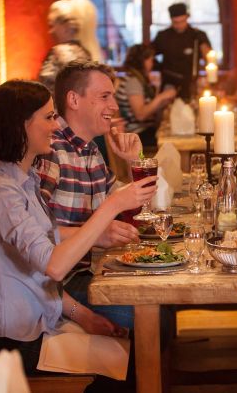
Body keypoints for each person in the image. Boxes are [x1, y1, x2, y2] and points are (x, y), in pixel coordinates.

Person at [0, 79, 157, 390]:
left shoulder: (24, 179)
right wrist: (110, 206)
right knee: (129, 361)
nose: (57, 126)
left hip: (40, 322)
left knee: (129, 346)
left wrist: (82, 315)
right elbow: (54, 266)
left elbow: (38, 274)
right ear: (20, 125)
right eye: (49, 117)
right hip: (11, 340)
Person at [37, 60, 143, 329]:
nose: (114, 106)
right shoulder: (50, 151)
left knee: (159, 304)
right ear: (73, 99)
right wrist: (96, 233)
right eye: (104, 97)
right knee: (146, 317)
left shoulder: (90, 149)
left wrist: (134, 163)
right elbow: (33, 238)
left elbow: (129, 211)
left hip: (85, 273)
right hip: (56, 288)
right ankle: (118, 371)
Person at [116, 44, 177, 148]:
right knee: (173, 143)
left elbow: (148, 110)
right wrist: (161, 97)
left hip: (142, 132)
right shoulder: (133, 81)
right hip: (137, 136)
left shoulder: (137, 79)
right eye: (150, 60)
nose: (152, 63)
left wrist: (162, 103)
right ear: (142, 61)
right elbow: (141, 115)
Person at [152, 2, 211, 100]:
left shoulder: (198, 36)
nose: (179, 25)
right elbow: (148, 55)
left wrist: (206, 77)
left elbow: (209, 59)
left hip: (191, 83)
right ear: (171, 20)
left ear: (187, 18)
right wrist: (159, 68)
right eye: (176, 22)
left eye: (182, 21)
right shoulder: (163, 36)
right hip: (169, 83)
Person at [39, 0, 92, 94]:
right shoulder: (84, 52)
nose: (51, 31)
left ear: (65, 26)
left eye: (52, 25)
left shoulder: (60, 54)